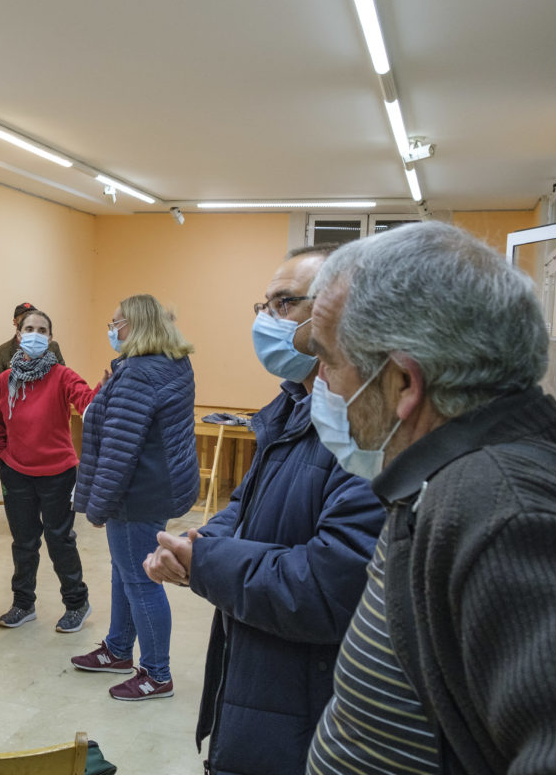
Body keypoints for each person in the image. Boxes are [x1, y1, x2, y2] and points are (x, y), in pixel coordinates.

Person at [304, 221, 556, 774]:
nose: (320, 380)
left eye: (330, 360)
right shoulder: (454, 477)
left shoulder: (503, 509)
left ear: (403, 384)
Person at [143, 246, 383, 773]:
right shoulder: (291, 409)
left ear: (332, 313)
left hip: (306, 704)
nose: (264, 319)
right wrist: (198, 544)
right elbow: (247, 506)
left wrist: (205, 563)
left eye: (282, 303)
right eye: (263, 304)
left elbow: (326, 587)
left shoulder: (358, 429)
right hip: (259, 678)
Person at [69, 294, 199, 701]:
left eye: (116, 323)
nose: (111, 330)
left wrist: (99, 503)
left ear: (136, 325)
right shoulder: (171, 364)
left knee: (142, 580)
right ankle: (118, 649)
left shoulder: (139, 374)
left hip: (135, 493)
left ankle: (156, 673)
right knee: (127, 570)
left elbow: (120, 448)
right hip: (157, 486)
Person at [0, 309, 97, 633]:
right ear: (19, 334)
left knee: (59, 539)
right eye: (29, 328)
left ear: (50, 338)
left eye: (42, 330)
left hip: (58, 473)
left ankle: (77, 603)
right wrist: (2, 455)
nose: (35, 334)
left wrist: (100, 402)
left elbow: (86, 399)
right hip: (16, 472)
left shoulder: (63, 375)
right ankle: (23, 604)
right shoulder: (7, 380)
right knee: (23, 542)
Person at [0, 301, 65, 392]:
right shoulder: (1, 352)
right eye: (25, 319)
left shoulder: (52, 346)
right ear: (15, 322)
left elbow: (62, 377)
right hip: (18, 403)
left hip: (49, 400)